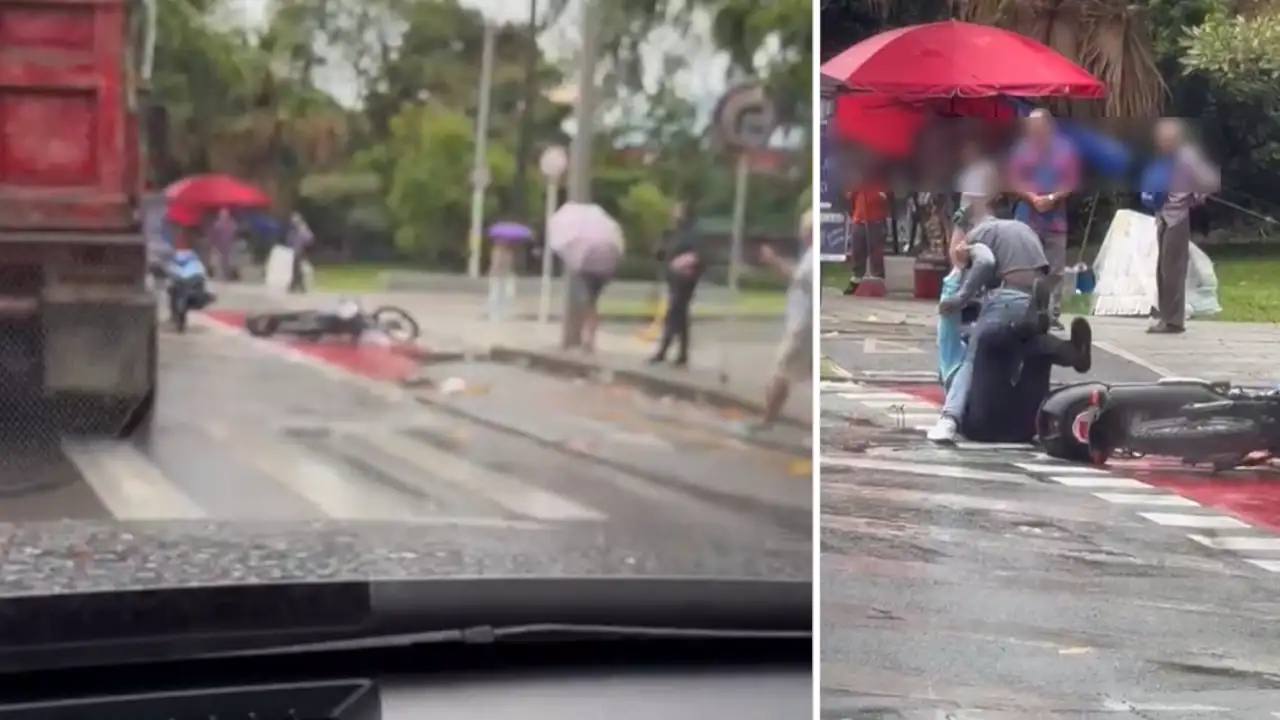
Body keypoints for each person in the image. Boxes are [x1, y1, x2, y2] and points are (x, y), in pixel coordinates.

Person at [926, 196, 1051, 444]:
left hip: (1007, 295)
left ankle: (949, 419)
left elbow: (986, 262)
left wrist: (961, 297)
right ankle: (1035, 424)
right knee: (1021, 361)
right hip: (1036, 299)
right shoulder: (1024, 228)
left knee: (974, 357)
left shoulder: (982, 232)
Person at [1007, 109, 1080, 330]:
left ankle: (1051, 312)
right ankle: (1023, 310)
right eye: (1030, 126)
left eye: (1036, 125)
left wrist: (1052, 197)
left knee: (1055, 270)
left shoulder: (1065, 150)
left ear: (1048, 126)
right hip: (1027, 216)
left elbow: (1071, 181)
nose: (1032, 130)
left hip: (1055, 220)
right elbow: (1013, 179)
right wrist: (1032, 197)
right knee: (1025, 265)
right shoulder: (1021, 149)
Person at [1146, 118, 1220, 334]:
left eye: (1165, 137)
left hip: (1177, 217)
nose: (1161, 141)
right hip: (1162, 215)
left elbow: (1208, 183)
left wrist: (1192, 198)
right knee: (1162, 270)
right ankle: (1165, 316)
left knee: (1173, 271)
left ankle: (1174, 321)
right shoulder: (1163, 157)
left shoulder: (1188, 157)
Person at [747, 210, 814, 433]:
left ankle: (767, 420)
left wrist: (773, 260)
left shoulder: (814, 256)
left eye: (805, 229)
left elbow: (797, 276)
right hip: (804, 323)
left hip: (804, 326)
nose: (802, 233)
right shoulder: (811, 254)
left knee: (782, 371)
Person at [648, 202, 701, 367]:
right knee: (681, 315)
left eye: (677, 210)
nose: (673, 213)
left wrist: (685, 265)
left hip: (685, 280)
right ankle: (682, 353)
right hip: (675, 278)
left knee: (673, 313)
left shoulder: (690, 233)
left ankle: (663, 351)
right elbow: (664, 251)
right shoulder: (674, 232)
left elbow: (698, 256)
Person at [843, 178, 888, 295]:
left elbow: (886, 202)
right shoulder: (858, 184)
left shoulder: (882, 184)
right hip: (859, 221)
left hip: (875, 222)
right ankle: (856, 282)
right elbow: (850, 200)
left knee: (876, 253)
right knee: (857, 252)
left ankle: (878, 282)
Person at [286, 212, 313, 293]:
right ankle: (297, 286)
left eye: (294, 220)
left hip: (301, 250)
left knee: (297, 268)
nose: (292, 222)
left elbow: (309, 238)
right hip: (296, 250)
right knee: (296, 268)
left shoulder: (302, 228)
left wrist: (304, 245)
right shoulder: (294, 230)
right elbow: (290, 239)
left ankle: (295, 286)